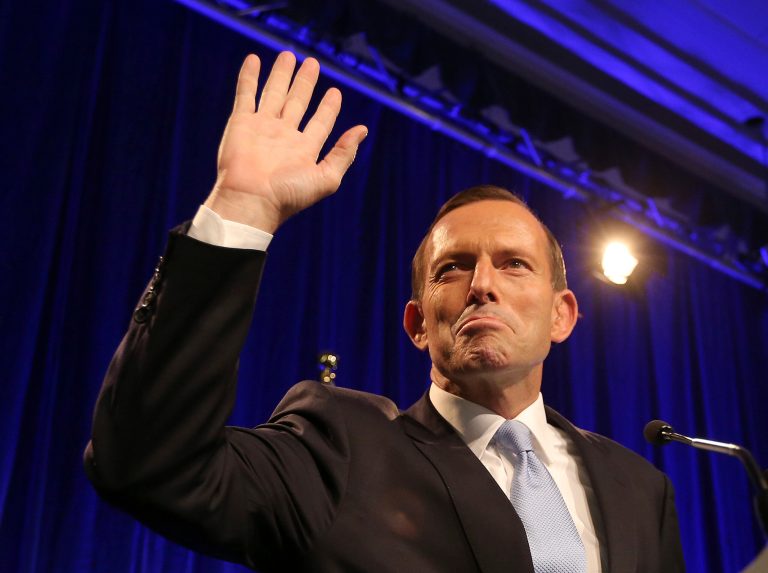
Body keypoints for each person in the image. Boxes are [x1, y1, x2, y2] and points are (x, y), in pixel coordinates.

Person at [84, 51, 685, 572]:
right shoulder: (341, 452)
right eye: (452, 269)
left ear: (563, 315)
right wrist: (239, 210)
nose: (481, 285)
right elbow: (145, 463)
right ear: (417, 324)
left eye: (513, 264)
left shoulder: (638, 489)